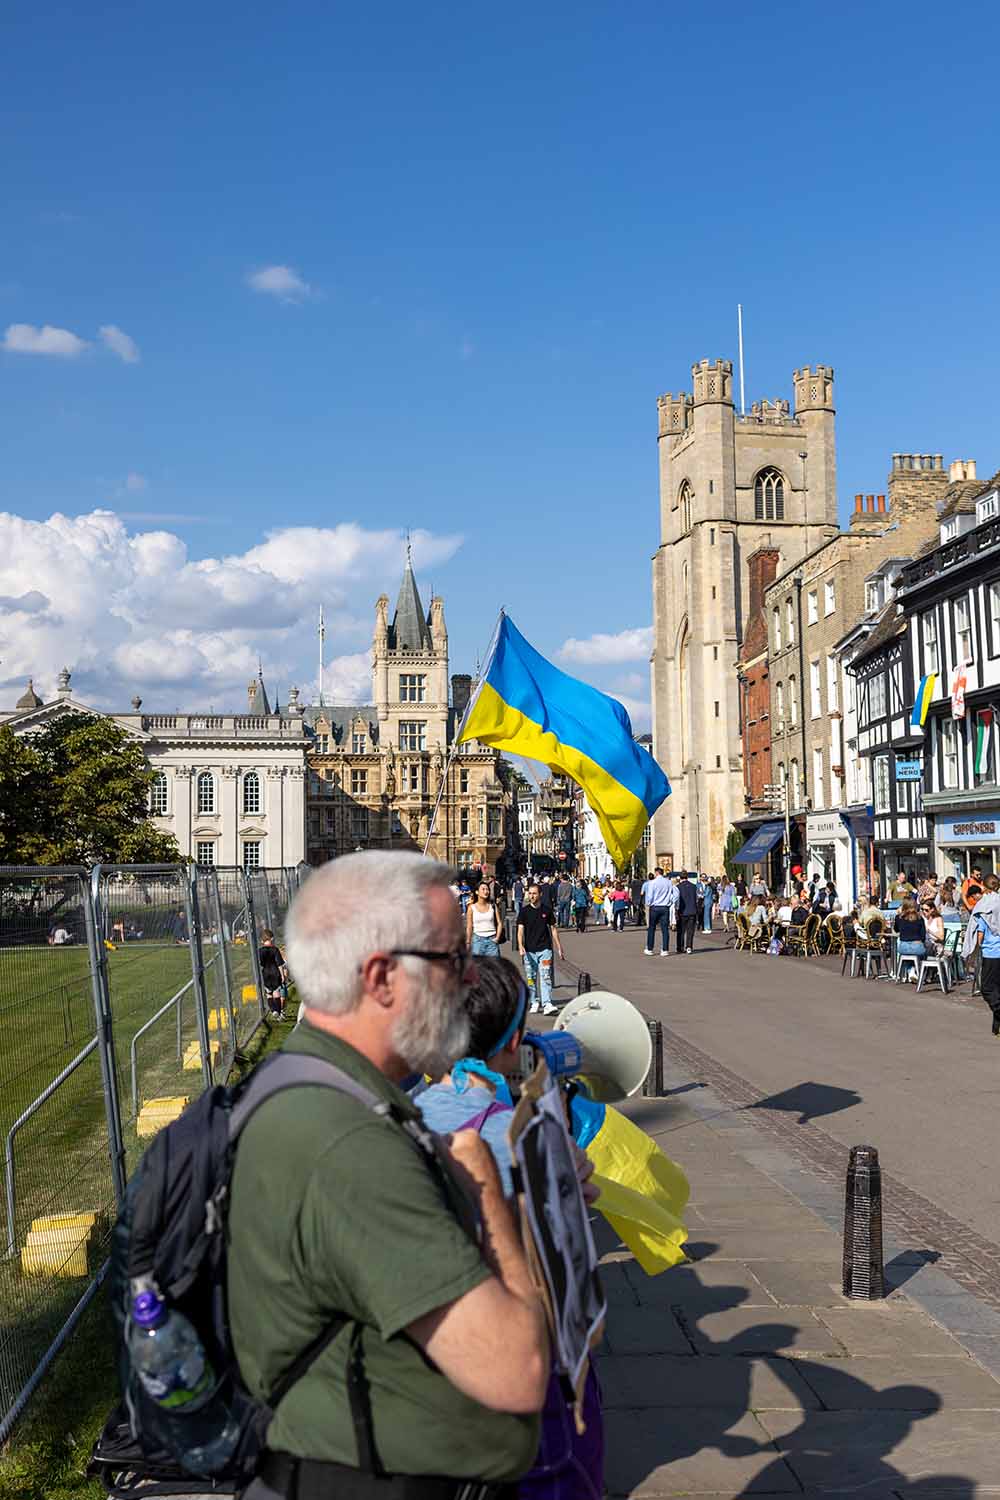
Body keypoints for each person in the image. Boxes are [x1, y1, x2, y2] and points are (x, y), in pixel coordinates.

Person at [229, 853, 549, 1499]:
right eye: (452, 960)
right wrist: (491, 1194)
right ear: (380, 978)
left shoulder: (329, 1085)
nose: (468, 980)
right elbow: (517, 1369)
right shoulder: (350, 1143)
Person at [417, 956, 604, 1499]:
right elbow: (567, 1274)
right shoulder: (522, 1135)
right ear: (517, 1038)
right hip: (520, 1356)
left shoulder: (405, 1112)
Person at [518, 883, 564, 1016]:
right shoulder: (524, 911)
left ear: (540, 894)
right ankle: (534, 1001)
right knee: (531, 978)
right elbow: (520, 930)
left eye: (534, 893)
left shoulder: (547, 910)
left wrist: (559, 947)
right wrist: (520, 945)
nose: (532, 896)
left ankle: (547, 1003)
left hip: (545, 949)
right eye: (530, 893)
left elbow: (553, 929)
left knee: (545, 976)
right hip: (529, 951)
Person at [966, 874, 1000, 1034]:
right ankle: (996, 1026)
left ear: (984, 887)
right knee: (997, 989)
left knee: (986, 988)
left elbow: (979, 933)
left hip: (991, 952)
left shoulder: (984, 906)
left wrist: (974, 948)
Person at [642, 867, 677, 956]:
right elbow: (676, 893)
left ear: (656, 873)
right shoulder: (668, 882)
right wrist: (671, 901)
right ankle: (665, 949)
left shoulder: (652, 883)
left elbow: (650, 896)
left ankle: (650, 948)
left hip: (655, 907)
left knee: (651, 928)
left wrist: (648, 904)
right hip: (665, 907)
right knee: (665, 929)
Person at [258, 927, 290, 1019]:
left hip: (266, 973)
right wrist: (282, 975)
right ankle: (278, 1011)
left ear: (262, 941)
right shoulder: (275, 950)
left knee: (269, 993)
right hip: (275, 973)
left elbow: (260, 964)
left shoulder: (260, 951)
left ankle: (273, 1010)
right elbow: (279, 964)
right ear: (271, 939)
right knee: (276, 992)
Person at [467, 879, 504, 958]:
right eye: (483, 889)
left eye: (487, 889)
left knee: (494, 964)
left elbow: (499, 923)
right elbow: (469, 926)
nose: (486, 891)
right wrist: (468, 942)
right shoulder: (471, 908)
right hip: (477, 941)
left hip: (492, 940)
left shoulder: (493, 906)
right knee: (478, 964)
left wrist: (497, 937)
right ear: (477, 892)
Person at [893, 898, 927, 976]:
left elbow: (896, 929)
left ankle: (910, 970)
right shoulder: (920, 918)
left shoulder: (899, 917)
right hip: (917, 946)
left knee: (905, 955)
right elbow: (923, 936)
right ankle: (919, 972)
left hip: (903, 947)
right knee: (923, 953)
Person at [675, 872, 699, 954]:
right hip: (692, 911)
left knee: (681, 931)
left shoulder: (678, 887)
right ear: (687, 877)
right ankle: (689, 947)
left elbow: (676, 900)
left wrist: (676, 911)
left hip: (682, 911)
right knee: (690, 930)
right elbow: (696, 899)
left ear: (680, 878)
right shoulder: (693, 886)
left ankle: (680, 947)